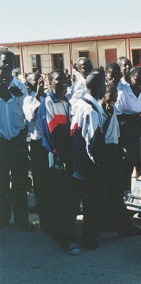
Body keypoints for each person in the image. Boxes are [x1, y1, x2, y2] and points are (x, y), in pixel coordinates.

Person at [38, 69, 78, 254]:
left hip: (68, 154)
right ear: (49, 83)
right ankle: (66, 240)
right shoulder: (48, 102)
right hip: (58, 155)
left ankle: (62, 232)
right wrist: (59, 155)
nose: (62, 82)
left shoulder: (68, 101)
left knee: (68, 195)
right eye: (57, 80)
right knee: (63, 197)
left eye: (64, 79)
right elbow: (50, 133)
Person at [100, 85, 141, 237]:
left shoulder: (111, 110)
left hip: (114, 150)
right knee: (110, 190)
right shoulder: (99, 112)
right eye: (110, 96)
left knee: (115, 190)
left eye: (115, 96)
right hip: (104, 152)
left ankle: (120, 225)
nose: (113, 99)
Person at [70, 68, 109, 250]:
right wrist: (101, 165)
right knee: (93, 204)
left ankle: (81, 235)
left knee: (84, 202)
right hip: (89, 165)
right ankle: (89, 238)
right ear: (99, 87)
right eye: (104, 85)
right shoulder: (91, 110)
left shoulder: (80, 103)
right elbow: (93, 141)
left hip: (79, 162)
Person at [0, 66, 33, 231]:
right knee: (2, 184)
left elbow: (28, 114)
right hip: (1, 145)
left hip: (17, 143)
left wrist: (19, 97)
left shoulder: (20, 88)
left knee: (20, 183)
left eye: (6, 72)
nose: (3, 75)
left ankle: (22, 220)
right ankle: (3, 219)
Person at [115, 66, 141, 194]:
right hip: (127, 131)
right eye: (137, 79)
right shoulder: (123, 92)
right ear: (130, 78)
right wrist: (137, 115)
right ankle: (126, 193)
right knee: (128, 164)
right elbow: (118, 115)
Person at [23, 72, 52, 232]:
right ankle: (44, 221)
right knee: (40, 184)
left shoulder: (48, 97)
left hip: (49, 144)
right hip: (37, 144)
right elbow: (31, 117)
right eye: (36, 79)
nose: (40, 81)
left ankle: (52, 217)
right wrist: (38, 94)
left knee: (51, 183)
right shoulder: (28, 99)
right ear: (29, 83)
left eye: (41, 78)